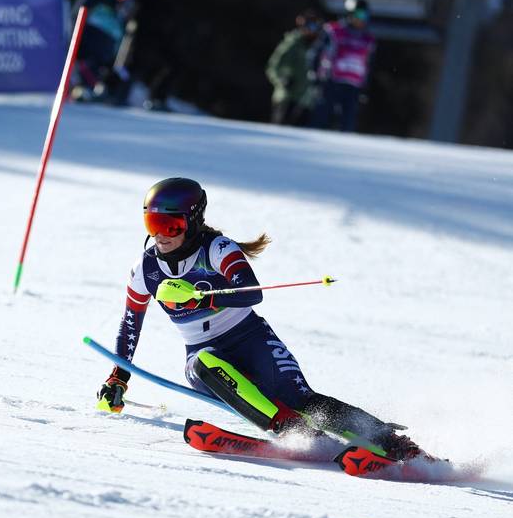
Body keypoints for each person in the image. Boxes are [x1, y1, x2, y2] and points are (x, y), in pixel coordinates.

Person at [97, 177, 421, 461]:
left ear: (192, 222)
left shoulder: (217, 250)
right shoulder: (146, 270)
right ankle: (293, 431)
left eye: (171, 226)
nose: (161, 236)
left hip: (250, 337)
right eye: (152, 225)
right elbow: (130, 325)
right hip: (203, 353)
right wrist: (118, 379)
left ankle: (393, 443)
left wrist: (201, 295)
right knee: (202, 364)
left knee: (301, 399)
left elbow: (252, 293)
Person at [310, 0, 376, 132]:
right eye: (359, 14)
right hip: (331, 81)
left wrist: (365, 88)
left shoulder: (368, 39)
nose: (362, 19)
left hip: (353, 86)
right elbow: (316, 53)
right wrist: (314, 75)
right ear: (349, 14)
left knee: (347, 122)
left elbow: (368, 65)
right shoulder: (334, 31)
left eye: (365, 15)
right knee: (321, 117)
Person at [265, 10, 322, 126]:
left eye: (316, 26)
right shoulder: (292, 43)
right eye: (310, 26)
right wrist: (282, 81)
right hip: (286, 98)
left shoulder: (317, 46)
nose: (312, 30)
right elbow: (273, 66)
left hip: (305, 101)